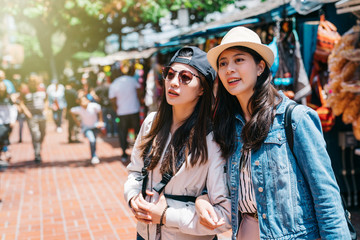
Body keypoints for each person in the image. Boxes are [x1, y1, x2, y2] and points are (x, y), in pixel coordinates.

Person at [195, 26, 351, 239]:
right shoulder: (228, 126)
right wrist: (202, 199)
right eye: (223, 63)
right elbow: (222, 186)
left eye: (239, 60)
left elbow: (326, 197)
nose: (229, 69)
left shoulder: (295, 118)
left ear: (260, 67)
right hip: (245, 231)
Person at [124, 46, 231, 240]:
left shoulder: (213, 139)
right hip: (143, 234)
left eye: (185, 78)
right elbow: (135, 172)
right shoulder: (151, 123)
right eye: (170, 74)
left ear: (202, 89)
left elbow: (222, 216)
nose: (173, 82)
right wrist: (133, 198)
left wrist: (166, 216)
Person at [109, 61, 141, 162]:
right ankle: (140, 152)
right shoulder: (131, 80)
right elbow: (139, 91)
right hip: (134, 110)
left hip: (122, 112)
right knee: (138, 132)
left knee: (122, 133)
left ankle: (124, 153)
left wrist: (116, 109)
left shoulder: (114, 84)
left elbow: (112, 100)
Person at [19, 74, 47, 163]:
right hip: (32, 116)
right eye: (32, 80)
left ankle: (39, 147)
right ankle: (37, 154)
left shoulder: (42, 89)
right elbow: (21, 102)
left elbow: (46, 100)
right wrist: (26, 112)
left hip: (42, 115)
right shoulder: (25, 90)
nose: (34, 82)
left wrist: (46, 109)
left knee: (42, 134)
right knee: (36, 135)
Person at [70, 93, 104, 165]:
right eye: (82, 101)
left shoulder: (94, 106)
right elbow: (71, 111)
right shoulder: (79, 109)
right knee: (92, 140)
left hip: (95, 127)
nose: (83, 103)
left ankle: (94, 154)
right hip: (87, 128)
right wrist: (77, 122)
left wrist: (100, 121)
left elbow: (100, 110)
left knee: (94, 141)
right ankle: (94, 156)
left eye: (85, 101)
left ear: (88, 101)